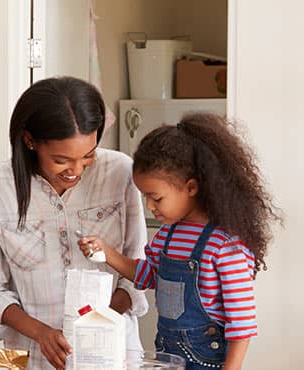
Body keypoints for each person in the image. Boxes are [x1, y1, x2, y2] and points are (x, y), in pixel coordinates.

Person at [77, 113, 280, 370]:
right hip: (169, 356)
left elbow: (241, 324)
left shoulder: (225, 245)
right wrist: (107, 252)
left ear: (191, 187)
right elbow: (149, 275)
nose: (149, 206)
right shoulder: (168, 234)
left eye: (156, 198)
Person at [0, 77, 148, 369]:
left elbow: (137, 272)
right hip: (34, 357)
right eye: (62, 160)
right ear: (30, 141)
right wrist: (41, 333)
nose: (76, 170)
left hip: (114, 352)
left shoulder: (119, 173)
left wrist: (98, 324)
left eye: (88, 156)